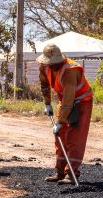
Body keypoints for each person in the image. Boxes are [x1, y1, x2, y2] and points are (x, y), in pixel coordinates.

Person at [38, 44, 93, 183]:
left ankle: (72, 173)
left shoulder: (70, 70)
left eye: (55, 63)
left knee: (74, 137)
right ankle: (60, 172)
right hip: (65, 102)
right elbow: (44, 84)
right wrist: (47, 103)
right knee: (59, 136)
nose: (52, 65)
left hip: (81, 102)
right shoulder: (44, 66)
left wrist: (61, 121)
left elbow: (69, 99)